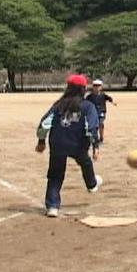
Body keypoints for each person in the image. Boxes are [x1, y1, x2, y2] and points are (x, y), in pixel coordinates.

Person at [35, 74, 103, 218]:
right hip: (77, 144)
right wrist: (95, 146)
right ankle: (91, 184)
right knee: (85, 162)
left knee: (55, 175)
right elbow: (91, 127)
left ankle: (52, 206)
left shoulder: (59, 105)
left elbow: (44, 123)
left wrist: (41, 141)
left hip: (57, 143)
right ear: (83, 89)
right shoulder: (87, 106)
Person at [85, 79, 117, 144]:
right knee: (94, 126)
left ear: (101, 87)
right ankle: (94, 138)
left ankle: (101, 137)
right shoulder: (90, 96)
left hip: (101, 111)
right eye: (95, 86)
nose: (96, 87)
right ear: (93, 87)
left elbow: (109, 99)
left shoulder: (103, 95)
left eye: (98, 86)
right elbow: (85, 102)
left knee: (100, 123)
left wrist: (113, 102)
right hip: (93, 113)